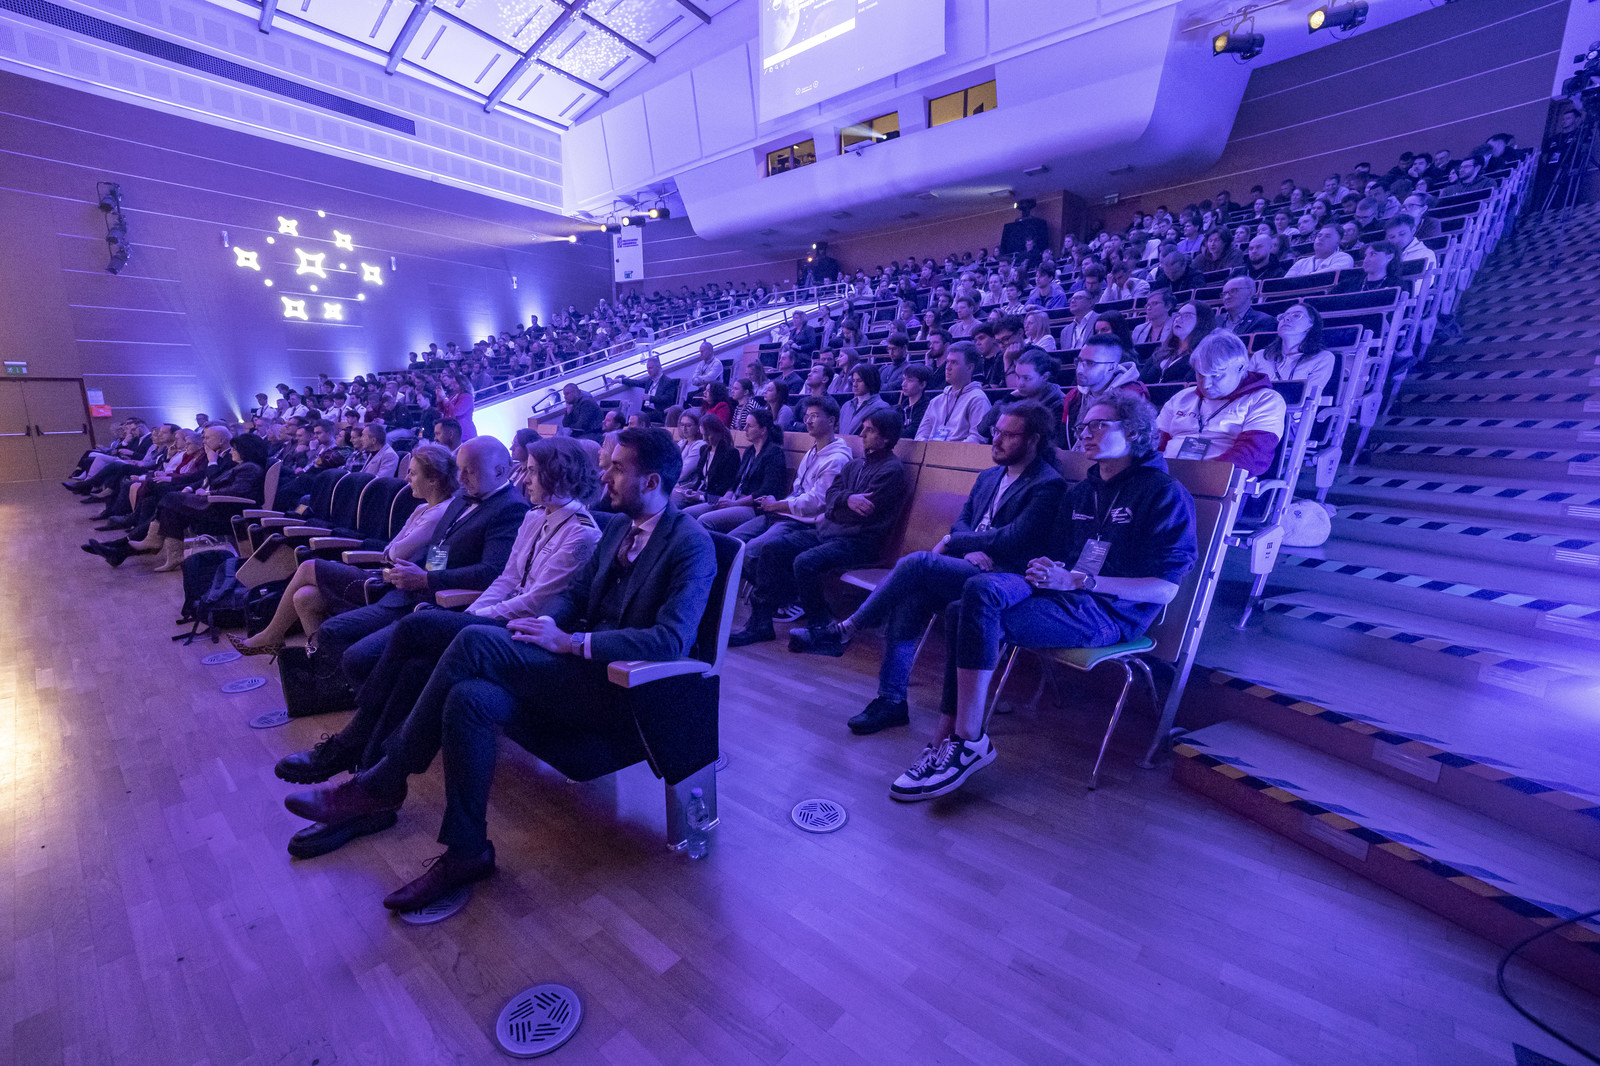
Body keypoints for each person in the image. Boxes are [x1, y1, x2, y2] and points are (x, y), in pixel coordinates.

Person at [280, 427, 717, 911]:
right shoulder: (616, 527)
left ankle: (379, 782)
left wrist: (572, 641)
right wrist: (551, 623)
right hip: (570, 666)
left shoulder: (690, 544)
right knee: (468, 697)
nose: (604, 476)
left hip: (619, 688)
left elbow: (670, 640)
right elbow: (574, 596)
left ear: (651, 480)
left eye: (617, 468)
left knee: (469, 640)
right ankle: (467, 851)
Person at [270, 438, 604, 858]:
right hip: (484, 614)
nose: (526, 478)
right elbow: (504, 578)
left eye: (533, 471)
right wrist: (471, 614)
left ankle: (354, 751)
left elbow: (535, 600)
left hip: (518, 629)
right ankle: (369, 785)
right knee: (413, 667)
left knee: (415, 627)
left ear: (558, 475)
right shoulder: (536, 517)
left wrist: (472, 619)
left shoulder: (580, 532)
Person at [887, 394, 1197, 799]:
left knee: (969, 606)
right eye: (1084, 425)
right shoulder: (1082, 492)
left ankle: (964, 741)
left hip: (1110, 613)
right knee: (968, 602)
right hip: (1062, 597)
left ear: (1135, 433)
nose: (1085, 433)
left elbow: (1166, 588)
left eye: (1099, 425)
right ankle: (949, 741)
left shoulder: (1164, 493)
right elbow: (1060, 555)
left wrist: (1081, 581)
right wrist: (1045, 568)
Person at [792, 403, 1065, 734]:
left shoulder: (1048, 485)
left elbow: (1016, 539)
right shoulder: (989, 476)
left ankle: (848, 628)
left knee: (918, 562)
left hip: (1007, 578)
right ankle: (891, 701)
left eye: (1008, 435)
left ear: (1033, 439)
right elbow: (962, 522)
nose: (996, 440)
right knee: (911, 598)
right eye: (996, 432)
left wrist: (958, 542)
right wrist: (966, 546)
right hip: (970, 565)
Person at [297, 437, 531, 694]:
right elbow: (440, 550)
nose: (460, 477)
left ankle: (364, 704)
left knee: (355, 655)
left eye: (470, 470)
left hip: (445, 606)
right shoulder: (462, 499)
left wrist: (426, 579)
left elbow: (491, 572)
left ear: (499, 471)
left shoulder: (511, 509)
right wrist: (415, 573)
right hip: (411, 594)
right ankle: (353, 696)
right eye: (459, 469)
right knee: (331, 630)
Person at [230, 442, 461, 655]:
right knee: (304, 597)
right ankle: (321, 664)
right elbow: (390, 550)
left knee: (309, 566)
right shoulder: (422, 508)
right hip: (383, 572)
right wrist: (390, 552)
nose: (407, 478)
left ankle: (271, 635)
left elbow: (395, 553)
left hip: (391, 584)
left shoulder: (440, 513)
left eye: (413, 473)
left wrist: (391, 552)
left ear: (433, 479)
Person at [731, 407, 909, 646]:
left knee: (805, 562)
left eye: (870, 430)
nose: (862, 434)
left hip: (860, 542)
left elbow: (861, 514)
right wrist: (846, 499)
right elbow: (830, 497)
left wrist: (839, 504)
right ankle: (760, 623)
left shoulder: (892, 471)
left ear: (886, 437)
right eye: (863, 428)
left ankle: (820, 623)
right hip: (830, 533)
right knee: (771, 548)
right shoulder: (855, 465)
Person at [1156, 331, 1286, 476]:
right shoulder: (1181, 398)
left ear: (1241, 367)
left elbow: (1252, 455)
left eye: (1216, 375)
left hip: (1216, 481)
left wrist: (1197, 475)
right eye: (1200, 374)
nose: (1206, 384)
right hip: (1165, 476)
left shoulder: (1265, 400)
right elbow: (1154, 444)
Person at [682, 408, 787, 525]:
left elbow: (766, 490)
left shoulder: (774, 453)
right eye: (745, 424)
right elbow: (735, 482)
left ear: (763, 430)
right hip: (734, 500)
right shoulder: (750, 451)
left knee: (704, 520)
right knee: (687, 513)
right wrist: (726, 498)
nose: (744, 428)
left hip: (752, 507)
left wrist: (735, 503)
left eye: (750, 426)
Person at [1062, 335, 1149, 448]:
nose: (1080, 369)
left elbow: (1134, 446)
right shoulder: (1073, 396)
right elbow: (1063, 442)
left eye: (1090, 363)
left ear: (1111, 367)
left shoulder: (1131, 395)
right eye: (1079, 361)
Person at [1248, 302, 1336, 399]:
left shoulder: (1323, 358)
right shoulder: (1260, 356)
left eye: (1296, 315)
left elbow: (1308, 398)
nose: (1286, 318)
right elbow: (1245, 391)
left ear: (1311, 325)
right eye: (1283, 316)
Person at [976, 349, 1064, 443]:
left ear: (1044, 377)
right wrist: (1007, 400)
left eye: (1027, 378)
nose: (1020, 383)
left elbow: (1052, 444)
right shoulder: (1015, 398)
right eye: (1017, 376)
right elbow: (982, 430)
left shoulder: (1059, 404)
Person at [914, 342, 992, 443]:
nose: (948, 367)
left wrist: (947, 450)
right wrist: (929, 448)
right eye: (947, 362)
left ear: (969, 367)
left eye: (954, 362)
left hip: (958, 452)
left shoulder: (978, 399)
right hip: (932, 451)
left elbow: (978, 439)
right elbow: (921, 435)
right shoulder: (936, 401)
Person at [1140, 300, 1215, 385]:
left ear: (1202, 322)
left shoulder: (1203, 357)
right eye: (1178, 315)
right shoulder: (1161, 352)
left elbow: (1186, 386)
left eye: (1187, 316)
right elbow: (1140, 382)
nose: (1178, 319)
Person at [675, 413, 738, 508]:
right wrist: (692, 491)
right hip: (702, 494)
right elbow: (701, 479)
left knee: (683, 509)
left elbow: (725, 486)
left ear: (718, 432)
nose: (704, 438)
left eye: (707, 435)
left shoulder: (731, 453)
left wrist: (701, 497)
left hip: (715, 499)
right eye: (703, 434)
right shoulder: (704, 450)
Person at [607, 355, 680, 424]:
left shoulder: (668, 382)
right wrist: (619, 380)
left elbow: (668, 398)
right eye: (647, 368)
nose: (648, 371)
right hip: (646, 410)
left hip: (659, 412)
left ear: (658, 367)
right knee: (629, 418)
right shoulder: (650, 381)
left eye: (651, 368)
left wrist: (650, 398)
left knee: (634, 420)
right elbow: (636, 382)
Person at [839, 364, 893, 436]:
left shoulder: (882, 408)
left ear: (870, 381)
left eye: (859, 380)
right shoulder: (846, 406)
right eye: (853, 380)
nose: (854, 384)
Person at [1285, 225, 1355, 277]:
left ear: (1338, 242)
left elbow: (1328, 277)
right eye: (1319, 235)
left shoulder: (1344, 258)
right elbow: (1286, 283)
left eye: (1327, 236)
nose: (1321, 238)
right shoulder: (1301, 263)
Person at [1338, 240, 1404, 293]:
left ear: (1389, 257)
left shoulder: (1397, 286)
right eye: (1365, 256)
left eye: (1373, 254)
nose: (1365, 260)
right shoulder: (1347, 285)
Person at [895, 365, 934, 438]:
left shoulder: (927, 408)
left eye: (909, 380)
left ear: (922, 385)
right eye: (904, 379)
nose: (903, 384)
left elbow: (912, 432)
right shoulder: (900, 408)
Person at [436, 375, 477, 440]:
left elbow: (456, 412)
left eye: (455, 383)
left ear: (462, 383)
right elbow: (443, 410)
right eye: (453, 382)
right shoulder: (453, 395)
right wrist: (439, 397)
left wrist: (444, 397)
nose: (453, 384)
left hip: (464, 432)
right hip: (452, 430)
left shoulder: (467, 397)